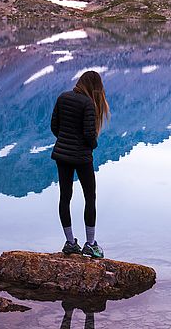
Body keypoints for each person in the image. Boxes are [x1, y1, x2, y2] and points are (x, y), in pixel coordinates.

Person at [50, 70, 110, 258]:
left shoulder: (63, 97)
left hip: (62, 155)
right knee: (89, 197)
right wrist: (93, 145)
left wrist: (65, 140)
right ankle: (90, 244)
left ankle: (70, 242)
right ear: (95, 87)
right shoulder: (88, 104)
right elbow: (88, 134)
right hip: (82, 157)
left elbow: (54, 126)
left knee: (65, 197)